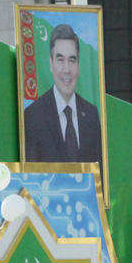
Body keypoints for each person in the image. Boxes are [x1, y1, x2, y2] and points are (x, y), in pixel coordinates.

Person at [21, 23, 102, 164]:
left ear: (78, 65)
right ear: (51, 63)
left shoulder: (91, 114)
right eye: (60, 60)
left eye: (72, 60)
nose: (66, 70)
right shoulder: (33, 116)